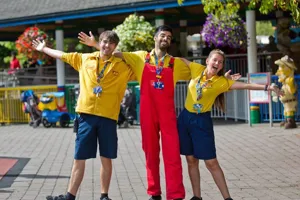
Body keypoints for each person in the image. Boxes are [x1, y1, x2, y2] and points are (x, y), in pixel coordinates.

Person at [78, 26, 240, 200]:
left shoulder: (176, 63)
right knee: (150, 153)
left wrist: (224, 80)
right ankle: (154, 193)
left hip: (167, 114)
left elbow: (205, 72)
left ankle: (176, 195)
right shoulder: (140, 57)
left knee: (172, 153)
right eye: (163, 35)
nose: (166, 38)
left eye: (169, 37)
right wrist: (96, 44)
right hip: (148, 113)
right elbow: (111, 54)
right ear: (155, 38)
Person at [32, 30, 135, 200]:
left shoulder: (123, 67)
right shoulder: (85, 59)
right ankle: (70, 196)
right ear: (99, 42)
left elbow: (139, 64)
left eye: (110, 43)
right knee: (79, 157)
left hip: (108, 117)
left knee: (106, 158)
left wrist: (96, 44)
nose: (106, 45)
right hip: (86, 115)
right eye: (103, 42)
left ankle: (104, 196)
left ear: (116, 46)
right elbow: (62, 55)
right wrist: (43, 49)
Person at [177, 49, 283, 200]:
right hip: (185, 119)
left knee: (211, 162)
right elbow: (181, 59)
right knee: (191, 160)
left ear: (221, 67)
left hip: (201, 121)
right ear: (207, 61)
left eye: (220, 62)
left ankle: (227, 198)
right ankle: (197, 196)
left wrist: (267, 87)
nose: (217, 63)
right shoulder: (196, 69)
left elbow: (246, 86)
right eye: (214, 60)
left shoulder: (222, 82)